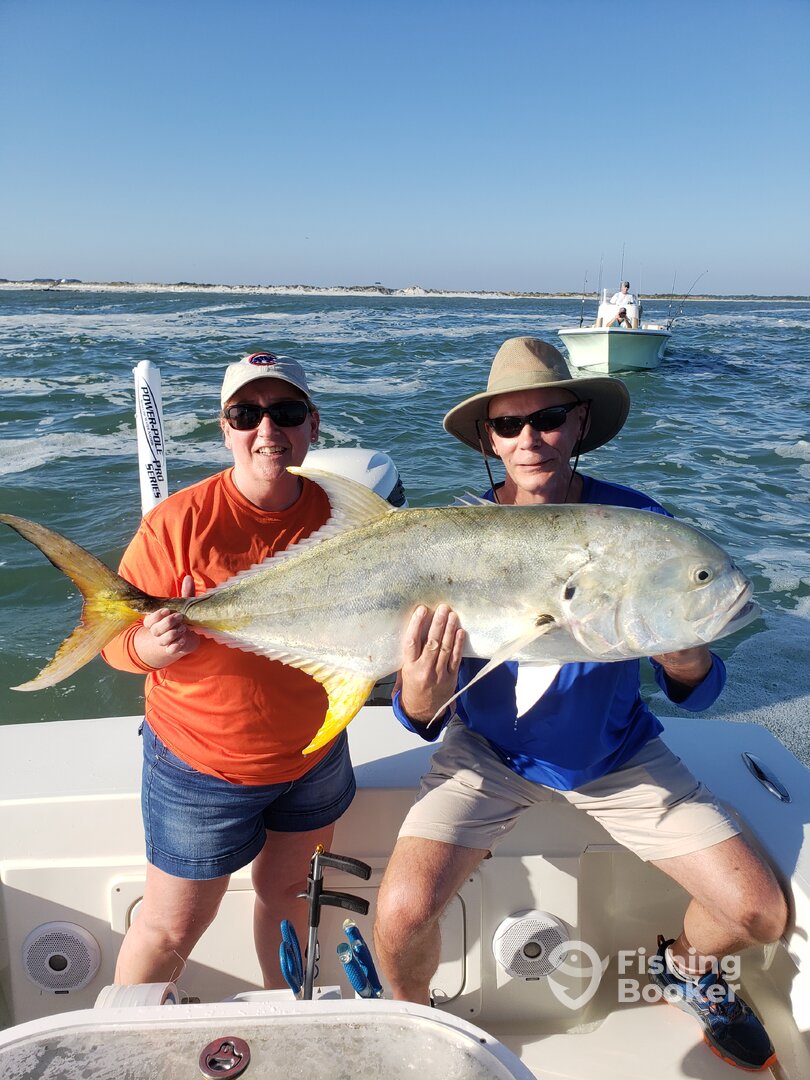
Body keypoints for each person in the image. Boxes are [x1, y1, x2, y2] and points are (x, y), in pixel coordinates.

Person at [374, 337, 786, 1071]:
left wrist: (689, 660)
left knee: (760, 912)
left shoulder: (637, 525)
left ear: (580, 425)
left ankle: (684, 968)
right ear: (488, 440)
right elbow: (417, 716)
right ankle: (420, 1032)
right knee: (400, 918)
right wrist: (418, 693)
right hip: (488, 756)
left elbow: (699, 688)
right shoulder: (448, 538)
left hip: (617, 751)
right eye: (509, 425)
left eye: (550, 417)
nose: (531, 439)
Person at [103, 350, 357, 990]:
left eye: (286, 412)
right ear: (224, 428)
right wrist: (149, 651)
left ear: (313, 425)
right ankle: (127, 1048)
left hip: (315, 755)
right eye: (246, 414)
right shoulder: (177, 523)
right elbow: (112, 640)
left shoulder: (345, 518)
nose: (266, 430)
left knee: (291, 900)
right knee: (169, 931)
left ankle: (290, 1025)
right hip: (200, 768)